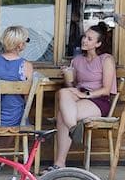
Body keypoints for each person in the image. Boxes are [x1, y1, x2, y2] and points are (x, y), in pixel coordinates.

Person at [49, 23, 118, 171]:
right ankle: (74, 128)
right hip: (78, 96)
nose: (84, 40)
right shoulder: (77, 60)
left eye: (89, 39)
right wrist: (67, 76)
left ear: (98, 43)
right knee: (62, 92)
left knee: (62, 115)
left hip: (98, 100)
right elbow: (70, 87)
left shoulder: (106, 60)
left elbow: (106, 90)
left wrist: (85, 94)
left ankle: (59, 163)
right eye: (84, 37)